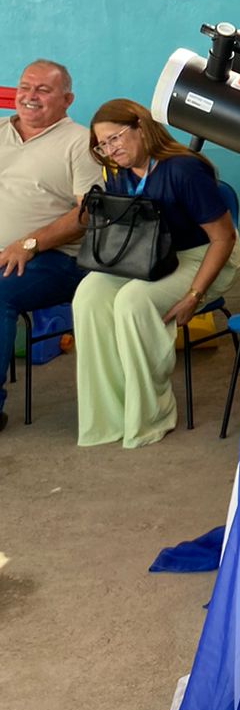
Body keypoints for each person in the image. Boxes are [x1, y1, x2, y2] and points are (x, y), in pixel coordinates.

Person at [73, 100, 240, 449]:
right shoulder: (118, 173)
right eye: (102, 145)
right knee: (89, 295)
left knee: (134, 301)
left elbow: (223, 238)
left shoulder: (183, 169)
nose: (110, 150)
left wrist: (194, 296)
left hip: (205, 254)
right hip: (151, 254)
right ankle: (108, 417)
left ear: (141, 126)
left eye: (115, 138)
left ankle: (150, 415)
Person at [0, 60, 93, 433]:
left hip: (54, 259)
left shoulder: (80, 142)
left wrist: (30, 243)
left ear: (67, 99)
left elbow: (87, 214)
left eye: (43, 90)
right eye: (25, 87)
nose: (30, 96)